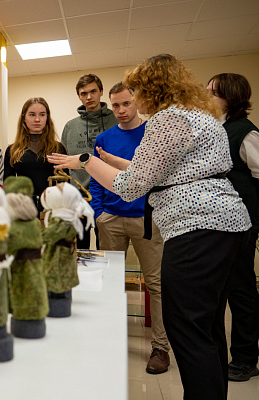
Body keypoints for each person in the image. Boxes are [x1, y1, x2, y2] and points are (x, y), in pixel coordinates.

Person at [48, 54, 251, 400]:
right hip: (229, 223)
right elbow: (166, 171)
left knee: (186, 328)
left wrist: (86, 161)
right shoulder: (200, 116)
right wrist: (109, 161)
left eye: (136, 91)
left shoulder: (167, 120)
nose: (132, 99)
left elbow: (131, 185)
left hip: (195, 227)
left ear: (152, 88)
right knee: (209, 327)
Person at [90, 83, 170, 374]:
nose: (121, 111)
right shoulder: (104, 138)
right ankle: (111, 339)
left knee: (156, 284)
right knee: (110, 283)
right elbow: (96, 176)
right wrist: (98, 214)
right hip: (111, 218)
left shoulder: (153, 133)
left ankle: (160, 347)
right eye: (115, 106)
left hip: (146, 219)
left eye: (126, 104)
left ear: (137, 102)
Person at [208, 73, 259, 382]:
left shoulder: (245, 133)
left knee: (241, 292)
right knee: (221, 291)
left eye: (212, 92)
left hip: (241, 227)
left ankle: (246, 358)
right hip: (219, 228)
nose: (206, 98)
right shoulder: (220, 131)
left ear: (230, 97)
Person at [61, 74, 118, 248]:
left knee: (107, 249)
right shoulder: (70, 127)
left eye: (93, 91)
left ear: (101, 92)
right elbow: (64, 163)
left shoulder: (116, 121)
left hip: (110, 196)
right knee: (79, 251)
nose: (89, 97)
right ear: (79, 96)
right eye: (83, 93)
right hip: (78, 197)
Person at [4, 97, 66, 216]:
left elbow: (65, 184)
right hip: (23, 211)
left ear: (47, 118)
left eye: (42, 115)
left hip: (53, 211)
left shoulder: (58, 149)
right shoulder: (12, 151)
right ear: (24, 118)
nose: (37, 119)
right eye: (32, 115)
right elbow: (8, 187)